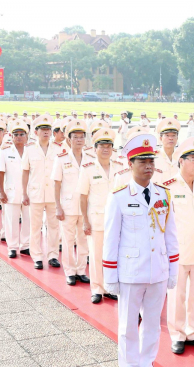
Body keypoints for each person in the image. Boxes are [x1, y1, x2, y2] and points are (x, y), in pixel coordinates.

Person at [103, 133, 179, 367]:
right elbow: (111, 239)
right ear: (130, 164)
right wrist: (110, 276)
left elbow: (171, 236)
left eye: (151, 161)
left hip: (157, 270)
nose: (148, 166)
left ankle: (147, 366)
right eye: (142, 161)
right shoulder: (119, 196)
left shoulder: (164, 195)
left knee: (153, 324)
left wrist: (172, 270)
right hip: (131, 271)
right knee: (127, 326)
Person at [164, 137, 194, 355]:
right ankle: (177, 334)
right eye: (192, 159)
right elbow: (163, 222)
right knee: (177, 295)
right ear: (181, 161)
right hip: (178, 250)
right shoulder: (169, 187)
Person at [79, 127, 124, 299]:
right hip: (96, 219)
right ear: (95, 148)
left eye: (109, 146)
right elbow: (82, 196)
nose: (106, 149)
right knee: (97, 255)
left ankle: (109, 287)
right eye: (102, 146)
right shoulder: (88, 168)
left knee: (113, 255)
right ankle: (97, 289)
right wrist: (84, 220)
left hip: (116, 220)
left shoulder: (120, 168)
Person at [52, 119, 91, 286]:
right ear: (69, 140)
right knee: (68, 240)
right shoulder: (61, 158)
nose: (79, 140)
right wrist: (58, 206)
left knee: (83, 240)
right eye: (75, 137)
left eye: (82, 137)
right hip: (67, 206)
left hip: (86, 207)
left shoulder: (90, 158)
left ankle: (81, 270)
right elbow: (57, 183)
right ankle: (69, 271)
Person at [21, 115, 61, 270]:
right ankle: (37, 256)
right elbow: (25, 172)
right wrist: (24, 193)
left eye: (48, 129)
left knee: (53, 226)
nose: (46, 132)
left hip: (52, 193)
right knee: (35, 226)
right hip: (36, 193)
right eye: (42, 129)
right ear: (36, 132)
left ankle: (53, 255)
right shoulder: (29, 149)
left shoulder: (58, 149)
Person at [0, 120, 31, 258]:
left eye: (21, 134)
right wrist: (1, 191)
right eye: (16, 134)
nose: (19, 137)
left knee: (28, 220)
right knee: (11, 220)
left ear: (26, 136)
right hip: (11, 191)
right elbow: (0, 172)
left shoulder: (32, 151)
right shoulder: (5, 151)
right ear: (11, 136)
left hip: (29, 191)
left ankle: (25, 246)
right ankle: (12, 247)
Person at [153, 118, 181, 183]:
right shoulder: (154, 158)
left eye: (173, 135)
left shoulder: (182, 157)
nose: (170, 138)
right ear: (160, 138)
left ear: (177, 138)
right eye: (167, 135)